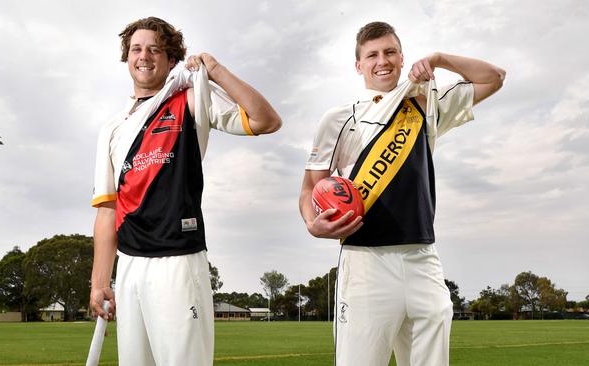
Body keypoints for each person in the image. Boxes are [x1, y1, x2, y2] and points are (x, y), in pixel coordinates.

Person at [299, 21, 505, 366]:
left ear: (401, 57)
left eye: (390, 52)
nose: (383, 61)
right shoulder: (338, 119)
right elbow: (310, 186)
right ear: (359, 65)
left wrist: (439, 59)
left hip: (423, 258)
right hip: (366, 262)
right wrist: (311, 223)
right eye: (372, 55)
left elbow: (493, 77)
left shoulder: (425, 104)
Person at [89, 16, 281, 365]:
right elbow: (107, 210)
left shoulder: (191, 99)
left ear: (171, 59)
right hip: (130, 266)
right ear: (126, 57)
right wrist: (100, 280)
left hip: (178, 262)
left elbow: (266, 120)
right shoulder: (112, 129)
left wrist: (217, 70)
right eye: (136, 49)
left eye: (154, 49)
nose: (144, 56)